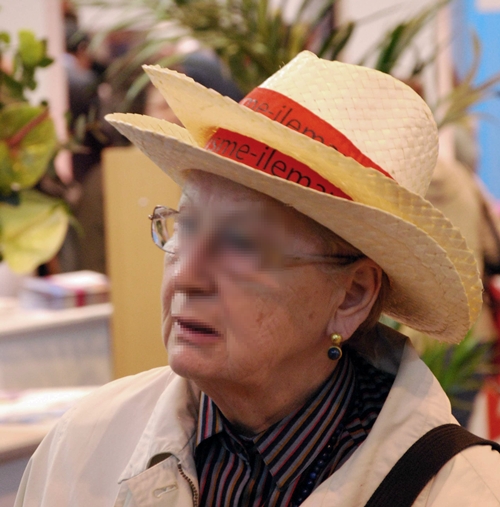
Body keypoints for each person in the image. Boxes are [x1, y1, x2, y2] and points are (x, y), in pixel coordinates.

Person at [15, 51, 500, 506]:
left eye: (242, 243)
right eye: (186, 225)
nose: (188, 275)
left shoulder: (461, 492)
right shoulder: (82, 449)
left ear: (352, 296)